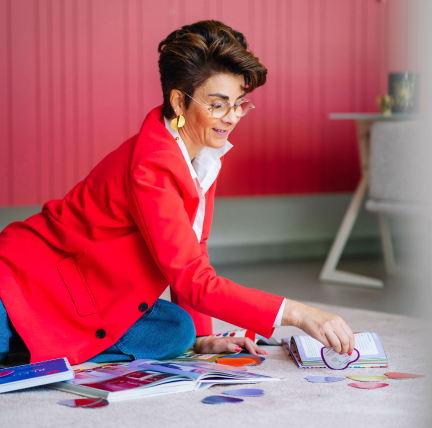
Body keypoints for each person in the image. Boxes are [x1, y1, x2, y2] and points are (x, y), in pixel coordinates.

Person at [0, 20, 354, 365]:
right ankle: (47, 343)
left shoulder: (202, 153)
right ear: (179, 102)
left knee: (178, 332)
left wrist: (203, 337)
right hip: (25, 286)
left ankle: (68, 341)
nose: (231, 117)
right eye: (217, 104)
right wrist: (296, 312)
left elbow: (193, 250)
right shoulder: (154, 163)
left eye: (239, 103)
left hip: (92, 289)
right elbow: (194, 281)